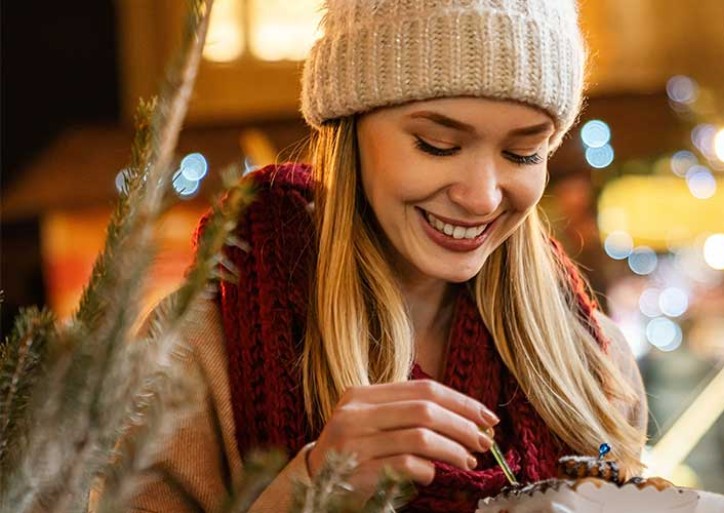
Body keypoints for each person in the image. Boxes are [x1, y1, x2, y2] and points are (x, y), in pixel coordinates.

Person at [130, 1, 648, 511]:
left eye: (523, 153)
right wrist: (311, 492)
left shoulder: (595, 363)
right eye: (437, 145)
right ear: (350, 129)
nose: (482, 196)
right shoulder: (193, 352)